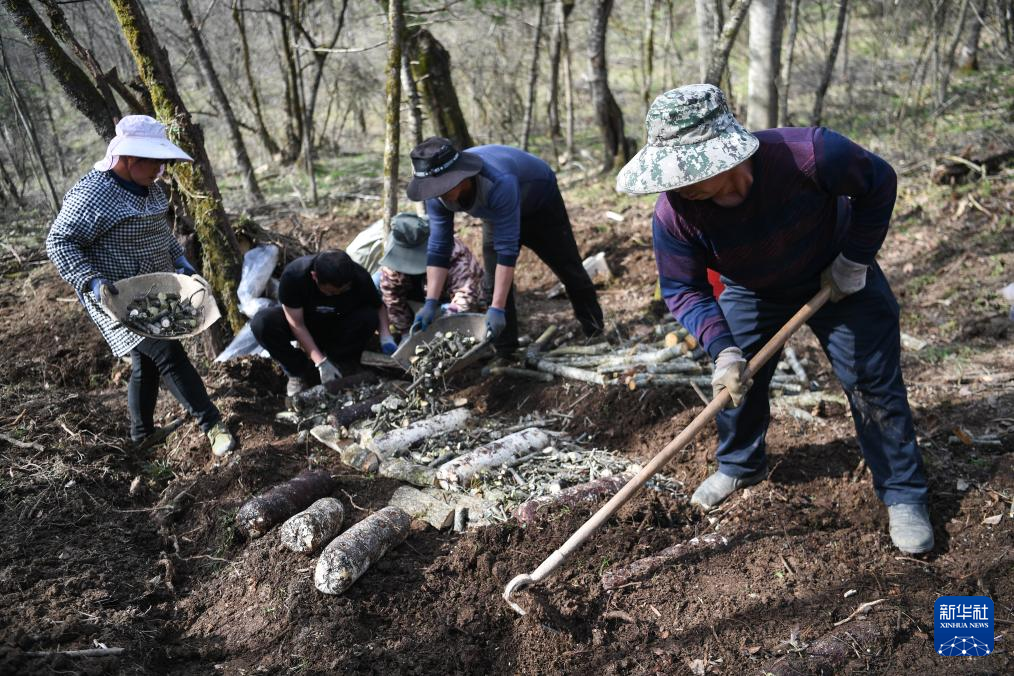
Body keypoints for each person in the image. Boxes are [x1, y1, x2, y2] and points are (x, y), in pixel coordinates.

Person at [617, 85, 933, 554]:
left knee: (871, 381)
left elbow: (879, 181)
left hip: (837, 272)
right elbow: (683, 289)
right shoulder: (674, 215)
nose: (679, 184)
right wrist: (723, 348)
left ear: (724, 154)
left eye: (688, 170)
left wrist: (855, 258)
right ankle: (740, 465)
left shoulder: (810, 155)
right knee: (736, 383)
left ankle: (904, 493)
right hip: (752, 287)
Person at [46, 115, 237, 457]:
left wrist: (181, 261)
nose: (160, 170)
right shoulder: (92, 193)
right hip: (116, 296)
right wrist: (92, 280)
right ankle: (211, 424)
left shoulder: (151, 188)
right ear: (130, 158)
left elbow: (160, 232)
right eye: (155, 162)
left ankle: (141, 435)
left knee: (144, 362)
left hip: (153, 289)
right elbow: (59, 242)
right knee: (167, 353)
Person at [405, 137, 604, 356]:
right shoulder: (436, 196)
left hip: (540, 206)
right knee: (492, 285)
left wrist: (497, 308)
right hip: (496, 214)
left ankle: (594, 331)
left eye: (442, 188)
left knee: (569, 269)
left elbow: (507, 250)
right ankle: (506, 352)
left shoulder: (498, 181)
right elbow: (439, 245)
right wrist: (431, 302)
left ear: (460, 177)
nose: (438, 194)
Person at [251, 250, 395, 396]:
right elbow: (297, 324)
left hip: (338, 324)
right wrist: (320, 362)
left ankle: (341, 359)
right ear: (314, 277)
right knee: (262, 323)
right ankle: (298, 371)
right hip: (305, 323)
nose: (336, 295)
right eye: (331, 292)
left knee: (369, 316)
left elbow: (378, 307)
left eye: (342, 292)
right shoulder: (294, 276)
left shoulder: (358, 276)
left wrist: (386, 336)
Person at [379, 213, 483, 335]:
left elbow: (466, 296)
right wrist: (405, 330)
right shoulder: (393, 263)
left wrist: (444, 318)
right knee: (376, 281)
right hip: (415, 301)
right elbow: (392, 298)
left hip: (447, 303)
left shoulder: (454, 255)